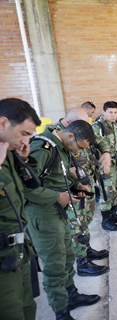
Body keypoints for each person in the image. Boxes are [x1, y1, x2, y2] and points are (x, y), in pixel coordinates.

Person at [25, 120, 100, 320]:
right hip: (43, 214)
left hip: (58, 211)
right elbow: (26, 188)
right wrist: (57, 197)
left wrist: (77, 186)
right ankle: (61, 312)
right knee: (55, 266)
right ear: (70, 136)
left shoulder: (62, 148)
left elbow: (60, 176)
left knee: (67, 257)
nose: (78, 152)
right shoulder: (43, 148)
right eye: (79, 147)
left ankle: (71, 297)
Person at [55, 107, 111, 277]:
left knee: (85, 220)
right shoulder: (55, 140)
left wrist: (106, 153)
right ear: (69, 125)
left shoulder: (79, 130)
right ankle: (82, 263)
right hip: (71, 190)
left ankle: (86, 251)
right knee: (76, 225)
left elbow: (98, 140)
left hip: (85, 184)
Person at [0, 98, 40, 320]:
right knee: (11, 312)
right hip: (2, 256)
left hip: (18, 251)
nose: (25, 140)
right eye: (23, 133)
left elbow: (27, 188)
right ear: (3, 123)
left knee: (27, 307)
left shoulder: (7, 151)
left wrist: (24, 160)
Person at [92, 101, 117, 231]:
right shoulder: (97, 127)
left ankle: (113, 214)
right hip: (106, 166)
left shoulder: (115, 125)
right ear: (104, 112)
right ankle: (106, 221)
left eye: (116, 112)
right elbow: (92, 148)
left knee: (115, 190)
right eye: (110, 112)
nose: (113, 115)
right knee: (106, 193)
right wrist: (100, 164)